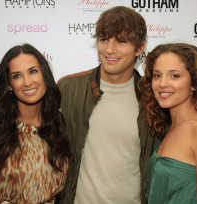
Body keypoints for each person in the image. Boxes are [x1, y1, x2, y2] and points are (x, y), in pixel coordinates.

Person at [56, 6, 158, 204]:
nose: (109, 50)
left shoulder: (153, 97)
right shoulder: (69, 89)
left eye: (121, 41)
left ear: (139, 48)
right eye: (103, 39)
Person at [0, 43, 71, 204]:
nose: (27, 82)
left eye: (33, 71)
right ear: (9, 84)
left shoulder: (59, 126)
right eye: (17, 76)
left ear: (44, 74)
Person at [139, 43, 197, 203]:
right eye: (157, 75)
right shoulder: (168, 127)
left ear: (194, 83)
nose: (162, 84)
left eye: (174, 76)